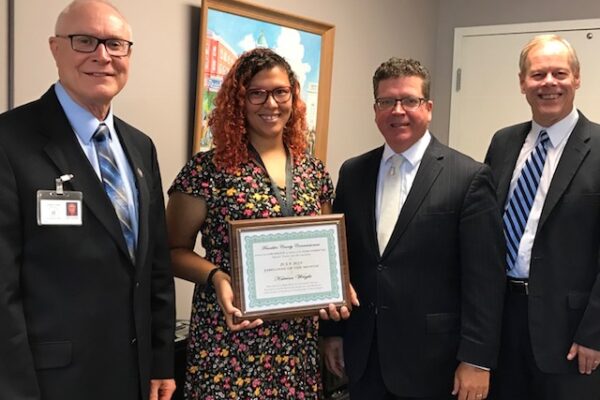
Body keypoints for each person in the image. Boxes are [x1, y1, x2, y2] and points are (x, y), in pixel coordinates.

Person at [0, 1, 176, 399]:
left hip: (134, 378)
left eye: (115, 44)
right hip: (52, 383)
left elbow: (155, 267)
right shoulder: (10, 141)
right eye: (85, 41)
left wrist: (161, 359)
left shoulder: (139, 146)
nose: (102, 56)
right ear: (55, 48)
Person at [166, 47, 351, 399]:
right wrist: (216, 276)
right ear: (239, 100)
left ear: (293, 97)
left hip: (296, 346)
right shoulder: (206, 170)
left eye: (280, 92)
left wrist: (337, 287)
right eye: (257, 93)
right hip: (229, 338)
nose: (271, 103)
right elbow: (171, 250)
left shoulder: (314, 172)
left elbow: (328, 250)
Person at [320, 57, 506, 400]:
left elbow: (486, 280)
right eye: (386, 101)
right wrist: (333, 332)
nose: (397, 110)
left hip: (434, 362)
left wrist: (477, 361)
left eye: (409, 100)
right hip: (363, 355)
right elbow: (340, 260)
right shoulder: (354, 172)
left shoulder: (468, 177)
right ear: (375, 109)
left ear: (429, 107)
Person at [485, 34, 600, 400]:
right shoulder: (503, 143)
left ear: (577, 78)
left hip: (571, 335)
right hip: (502, 322)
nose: (548, 83)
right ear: (522, 83)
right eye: (537, 75)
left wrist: (594, 333)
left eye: (559, 73)